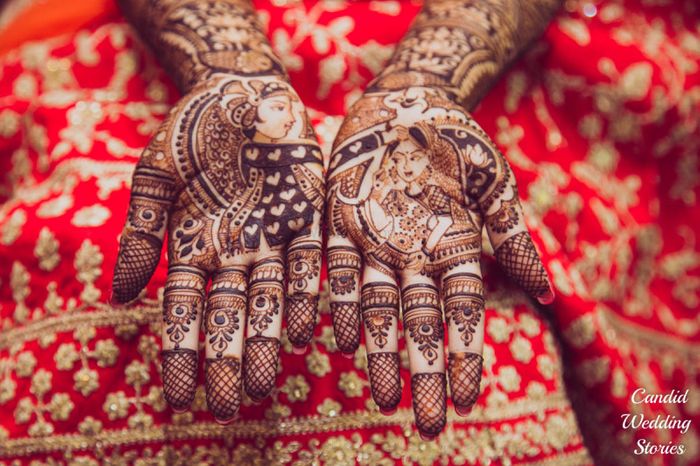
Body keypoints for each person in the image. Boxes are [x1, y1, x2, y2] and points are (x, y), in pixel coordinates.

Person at [1, 0, 696, 464]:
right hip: (180, 30)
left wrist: (426, 81)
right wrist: (228, 69)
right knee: (84, 259)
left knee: (475, 326)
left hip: (507, 31)